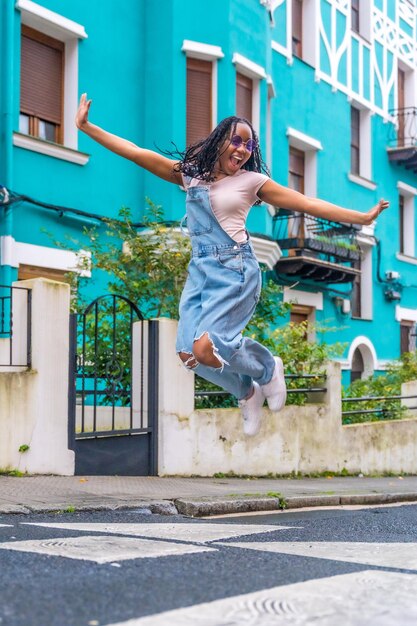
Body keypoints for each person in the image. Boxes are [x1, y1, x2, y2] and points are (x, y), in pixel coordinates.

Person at [75, 93, 389, 436]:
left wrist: (361, 217)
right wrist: (87, 127)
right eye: (236, 140)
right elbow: (138, 154)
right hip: (200, 272)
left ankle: (267, 368)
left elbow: (306, 202)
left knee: (208, 345)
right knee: (188, 355)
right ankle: (247, 391)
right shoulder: (191, 176)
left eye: (249, 145)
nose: (242, 149)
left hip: (235, 270)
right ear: (220, 141)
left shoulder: (252, 183)